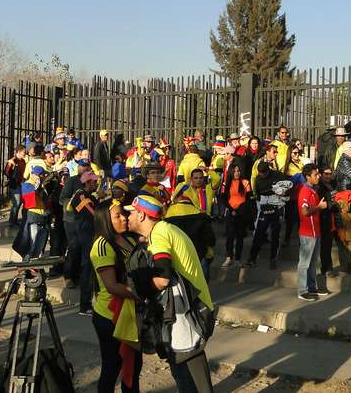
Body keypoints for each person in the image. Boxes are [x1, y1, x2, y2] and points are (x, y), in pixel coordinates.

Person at [125, 195, 214, 393]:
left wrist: (139, 292)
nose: (127, 216)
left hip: (188, 312)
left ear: (141, 215)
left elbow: (162, 278)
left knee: (186, 374)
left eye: (130, 212)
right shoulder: (166, 229)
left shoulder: (159, 234)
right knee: (195, 372)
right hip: (194, 306)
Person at [90, 202, 142, 392]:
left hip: (130, 314)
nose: (124, 218)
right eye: (118, 216)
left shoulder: (128, 238)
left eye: (124, 215)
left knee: (133, 365)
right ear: (105, 221)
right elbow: (112, 286)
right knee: (113, 366)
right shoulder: (102, 246)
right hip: (110, 316)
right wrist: (142, 295)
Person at [242, 161, 288, 270]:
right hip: (264, 207)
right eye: (260, 172)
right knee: (258, 234)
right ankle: (252, 259)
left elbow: (287, 187)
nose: (262, 175)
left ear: (268, 171)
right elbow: (257, 194)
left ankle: (273, 259)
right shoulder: (257, 179)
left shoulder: (278, 175)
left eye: (264, 173)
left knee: (275, 234)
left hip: (277, 207)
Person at [60, 168, 98, 293]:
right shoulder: (81, 195)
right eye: (93, 182)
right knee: (74, 249)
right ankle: (70, 277)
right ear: (87, 183)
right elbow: (93, 212)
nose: (96, 184)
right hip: (74, 224)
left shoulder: (89, 195)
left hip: (82, 227)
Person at [296, 164, 328, 301]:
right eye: (315, 174)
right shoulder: (305, 191)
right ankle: (302, 290)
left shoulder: (312, 190)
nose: (318, 176)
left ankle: (311, 286)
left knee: (312, 261)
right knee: (304, 263)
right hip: (307, 233)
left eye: (318, 174)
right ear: (308, 177)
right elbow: (304, 212)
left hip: (315, 232)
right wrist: (319, 207)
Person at [220, 163, 251, 268]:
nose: (237, 173)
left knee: (240, 237)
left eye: (238, 171)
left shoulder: (245, 182)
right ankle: (229, 257)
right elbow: (223, 199)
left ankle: (237, 258)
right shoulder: (226, 184)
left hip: (242, 213)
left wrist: (240, 210)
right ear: (231, 172)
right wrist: (231, 209)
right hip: (230, 212)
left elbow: (249, 199)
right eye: (235, 171)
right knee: (230, 236)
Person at [4, 145, 27, 228]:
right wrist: (12, 165)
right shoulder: (13, 161)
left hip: (21, 184)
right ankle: (12, 222)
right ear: (19, 152)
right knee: (16, 203)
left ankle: (14, 220)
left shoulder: (23, 161)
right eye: (24, 152)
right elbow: (7, 172)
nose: (25, 153)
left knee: (19, 202)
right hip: (14, 184)